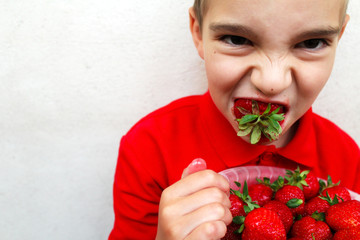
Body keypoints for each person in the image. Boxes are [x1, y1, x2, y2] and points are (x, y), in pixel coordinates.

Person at [109, 0, 360, 239]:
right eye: (237, 39)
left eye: (312, 43)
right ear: (198, 32)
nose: (271, 82)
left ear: (339, 37)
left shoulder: (346, 157)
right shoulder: (150, 147)